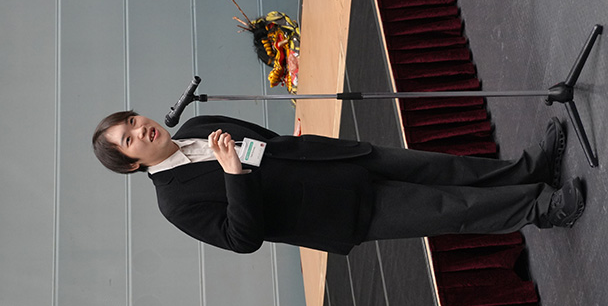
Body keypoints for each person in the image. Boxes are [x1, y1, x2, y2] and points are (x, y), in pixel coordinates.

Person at [92, 111, 584, 255]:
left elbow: (266, 140)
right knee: (449, 209)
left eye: (133, 121)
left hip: (334, 160)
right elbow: (241, 239)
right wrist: (232, 174)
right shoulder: (175, 203)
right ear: (132, 165)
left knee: (444, 168)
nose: (142, 130)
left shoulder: (197, 125)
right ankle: (543, 210)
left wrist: (296, 147)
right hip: (332, 213)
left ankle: (530, 171)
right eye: (130, 139)